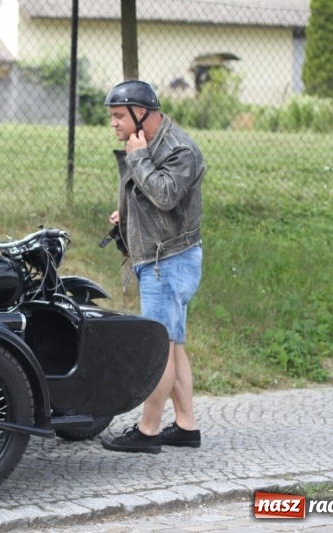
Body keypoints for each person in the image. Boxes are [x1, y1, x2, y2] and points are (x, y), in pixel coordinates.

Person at [101, 80, 205, 453]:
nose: (113, 123)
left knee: (159, 348)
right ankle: (187, 426)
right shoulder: (145, 145)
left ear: (140, 112)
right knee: (174, 348)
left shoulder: (178, 150)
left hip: (169, 261)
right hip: (161, 257)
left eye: (117, 116)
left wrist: (139, 159)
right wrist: (126, 215)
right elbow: (151, 198)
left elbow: (164, 194)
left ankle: (147, 431)